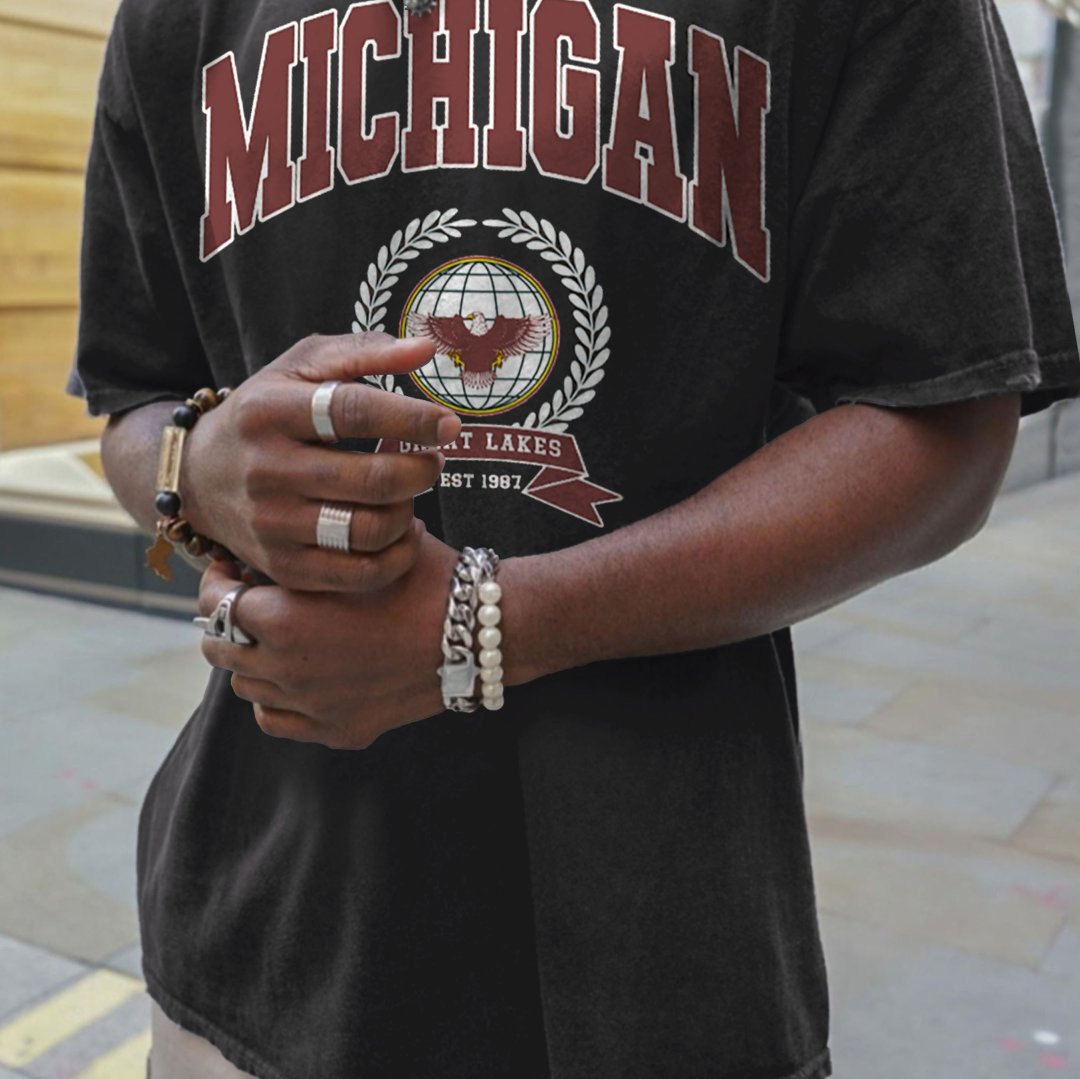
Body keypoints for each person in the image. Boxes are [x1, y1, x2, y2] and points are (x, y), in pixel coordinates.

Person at [67, 0, 1080, 1075]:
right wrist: (193, 467)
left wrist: (486, 625)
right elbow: (135, 398)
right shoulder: (178, 18)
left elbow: (943, 413)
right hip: (255, 937)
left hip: (656, 943)